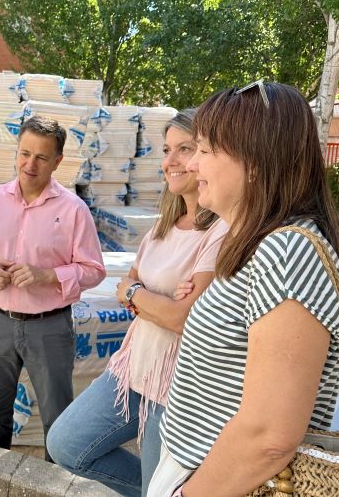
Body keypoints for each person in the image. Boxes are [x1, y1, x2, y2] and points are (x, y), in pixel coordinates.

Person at [147, 82, 339, 497]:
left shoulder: (287, 251)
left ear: (254, 162)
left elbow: (268, 436)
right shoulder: (256, 241)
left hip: (222, 483)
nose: (193, 165)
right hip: (200, 468)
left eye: (204, 151)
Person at [46, 110, 228, 496]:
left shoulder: (220, 232)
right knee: (65, 443)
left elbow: (182, 319)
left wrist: (140, 295)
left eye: (186, 149)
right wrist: (142, 295)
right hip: (133, 366)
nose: (171, 161)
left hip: (175, 385)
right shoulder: (164, 225)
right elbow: (127, 282)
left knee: (159, 489)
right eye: (166, 150)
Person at [0, 116, 105, 460]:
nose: (30, 164)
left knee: (58, 421)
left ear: (58, 161)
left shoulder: (73, 210)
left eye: (41, 157)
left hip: (49, 327)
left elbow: (94, 270)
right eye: (25, 153)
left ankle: (54, 485)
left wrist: (47, 276)